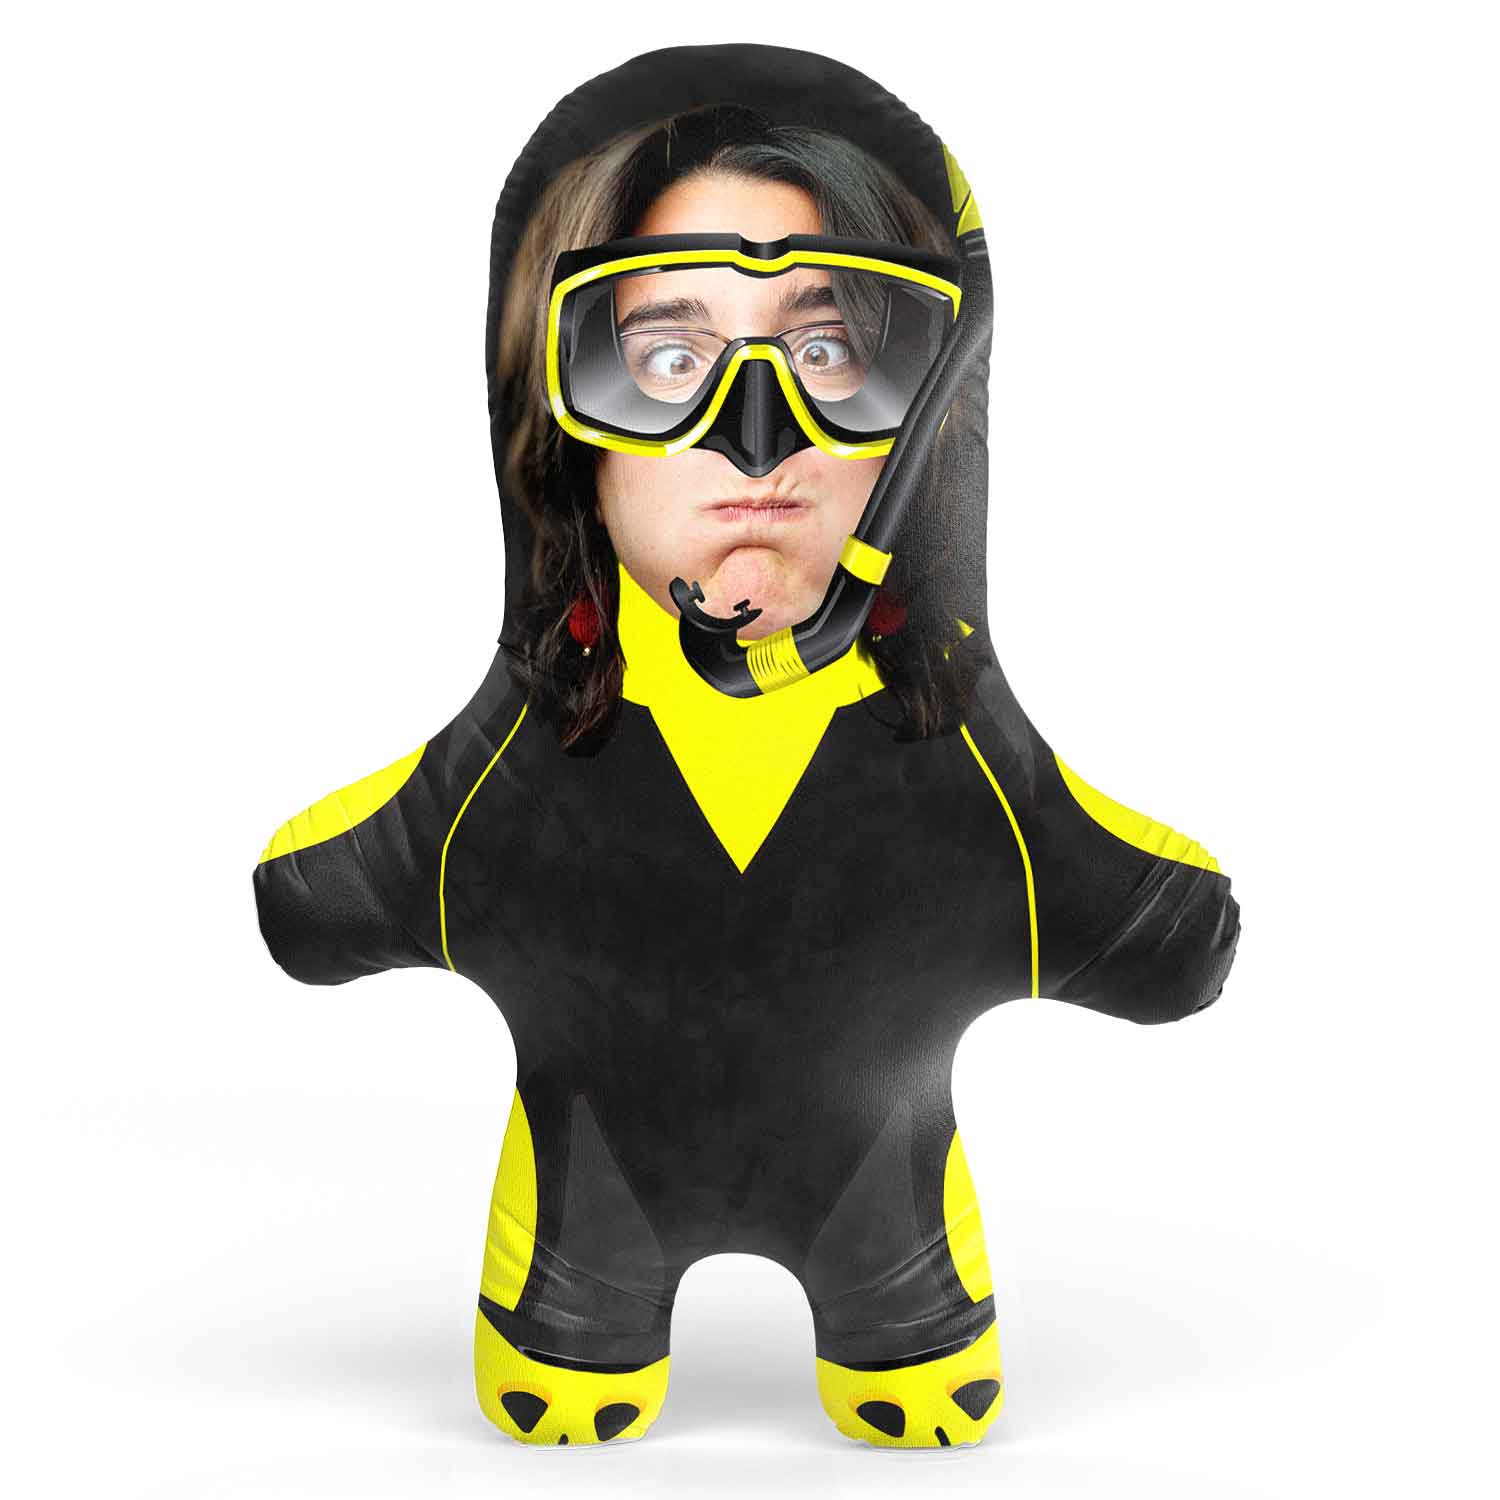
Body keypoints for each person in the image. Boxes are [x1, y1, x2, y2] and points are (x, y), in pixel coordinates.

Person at [254, 58, 1240, 1451]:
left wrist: (1156, 929)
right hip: (582, 1245)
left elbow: (1153, 939)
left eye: (830, 351)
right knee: (563, 1372)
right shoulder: (502, 777)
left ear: (930, 423)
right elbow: (320, 902)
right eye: (667, 358)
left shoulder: (973, 770)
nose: (756, 439)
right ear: (561, 426)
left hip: (893, 1244)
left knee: (914, 1370)